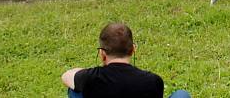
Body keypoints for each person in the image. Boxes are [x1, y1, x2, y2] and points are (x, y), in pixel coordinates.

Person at [62, 22, 190, 98]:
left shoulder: (90, 78)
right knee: (181, 95)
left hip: (91, 78)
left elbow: (66, 76)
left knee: (75, 89)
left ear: (102, 53)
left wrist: (86, 73)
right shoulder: (153, 81)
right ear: (133, 49)